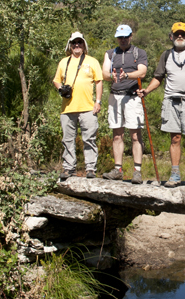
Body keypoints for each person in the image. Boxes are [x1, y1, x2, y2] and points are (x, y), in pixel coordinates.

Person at [140, 22, 185, 187]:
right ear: (171, 36)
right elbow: (158, 78)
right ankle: (175, 175)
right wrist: (147, 90)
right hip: (171, 101)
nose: (180, 36)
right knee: (175, 139)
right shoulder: (165, 55)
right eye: (177, 34)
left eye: (183, 34)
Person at [102, 24, 148, 184]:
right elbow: (104, 73)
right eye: (120, 37)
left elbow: (142, 72)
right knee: (117, 135)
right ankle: (118, 170)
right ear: (117, 38)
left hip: (132, 97)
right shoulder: (110, 53)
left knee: (135, 135)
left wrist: (127, 75)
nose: (122, 40)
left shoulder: (138, 53)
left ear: (131, 36)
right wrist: (111, 76)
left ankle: (137, 171)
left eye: (125, 37)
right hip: (115, 97)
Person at [52, 32, 103, 180]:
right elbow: (56, 80)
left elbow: (99, 81)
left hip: (88, 107)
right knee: (67, 139)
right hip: (67, 108)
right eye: (74, 43)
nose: (77, 45)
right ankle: (69, 168)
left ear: (84, 45)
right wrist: (60, 88)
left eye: (79, 42)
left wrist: (98, 102)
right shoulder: (63, 62)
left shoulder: (92, 61)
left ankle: (90, 168)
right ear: (70, 45)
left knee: (89, 139)